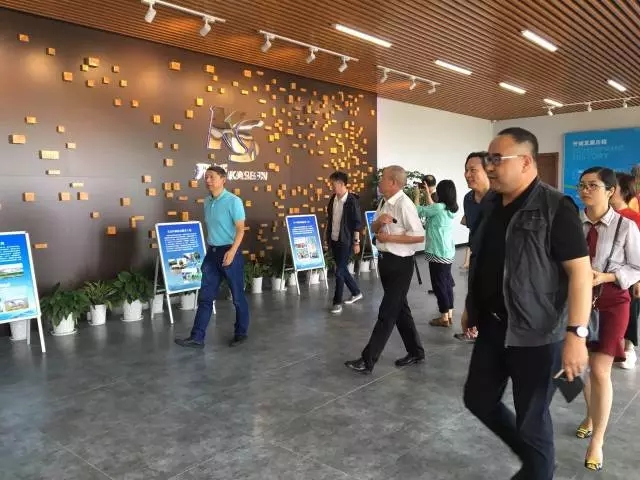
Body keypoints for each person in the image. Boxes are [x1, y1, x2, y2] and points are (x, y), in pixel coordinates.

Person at [462, 127, 592, 480]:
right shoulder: (491, 204)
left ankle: (538, 467)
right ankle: (537, 464)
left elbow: (581, 274)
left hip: (537, 335)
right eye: (487, 159)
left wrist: (576, 335)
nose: (489, 167)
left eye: (496, 159)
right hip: (493, 326)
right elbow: (483, 257)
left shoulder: (556, 207)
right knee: (478, 399)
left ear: (525, 162)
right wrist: (471, 305)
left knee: (532, 422)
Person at [576, 167, 640, 472]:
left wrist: (608, 276)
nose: (585, 191)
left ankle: (597, 441)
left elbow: (637, 267)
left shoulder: (626, 226)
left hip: (612, 303)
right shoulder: (574, 224)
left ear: (611, 190)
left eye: (593, 185)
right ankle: (590, 416)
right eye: (582, 185)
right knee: (585, 368)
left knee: (600, 370)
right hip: (579, 303)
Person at [345, 166, 425, 374]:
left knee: (387, 312)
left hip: (401, 265)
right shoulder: (384, 202)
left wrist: (390, 237)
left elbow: (419, 236)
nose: (379, 181)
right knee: (400, 309)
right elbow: (373, 229)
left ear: (393, 182)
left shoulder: (404, 205)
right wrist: (379, 223)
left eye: (383, 178)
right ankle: (416, 352)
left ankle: (368, 360)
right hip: (385, 261)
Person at [175, 166, 250, 348]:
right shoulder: (207, 201)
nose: (207, 180)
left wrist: (232, 251)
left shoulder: (234, 201)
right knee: (205, 297)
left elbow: (240, 229)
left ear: (223, 179)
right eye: (206, 177)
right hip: (212, 254)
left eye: (212, 177)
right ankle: (197, 337)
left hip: (230, 252)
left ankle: (241, 333)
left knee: (237, 297)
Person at [413, 180, 458, 327]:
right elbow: (433, 206)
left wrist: (417, 195)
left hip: (437, 252)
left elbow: (417, 210)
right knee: (446, 283)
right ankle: (449, 314)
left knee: (439, 285)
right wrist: (427, 192)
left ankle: (443, 317)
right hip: (447, 251)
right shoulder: (450, 208)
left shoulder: (438, 207)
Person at [610, 172, 640, 369]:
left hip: (630, 275)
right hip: (608, 275)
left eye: (613, 186)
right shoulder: (605, 215)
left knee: (630, 311)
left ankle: (629, 348)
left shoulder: (634, 218)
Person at [326, 171, 364, 314]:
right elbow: (330, 220)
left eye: (333, 184)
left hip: (346, 240)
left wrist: (356, 242)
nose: (331, 186)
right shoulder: (333, 199)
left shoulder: (352, 201)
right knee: (341, 269)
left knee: (339, 272)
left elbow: (357, 224)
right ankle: (356, 292)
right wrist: (326, 236)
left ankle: (337, 302)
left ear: (341, 184)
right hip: (334, 238)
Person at [461, 152, 490, 269]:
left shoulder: (503, 198)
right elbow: (473, 231)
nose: (467, 175)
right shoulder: (468, 199)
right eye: (466, 170)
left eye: (473, 170)